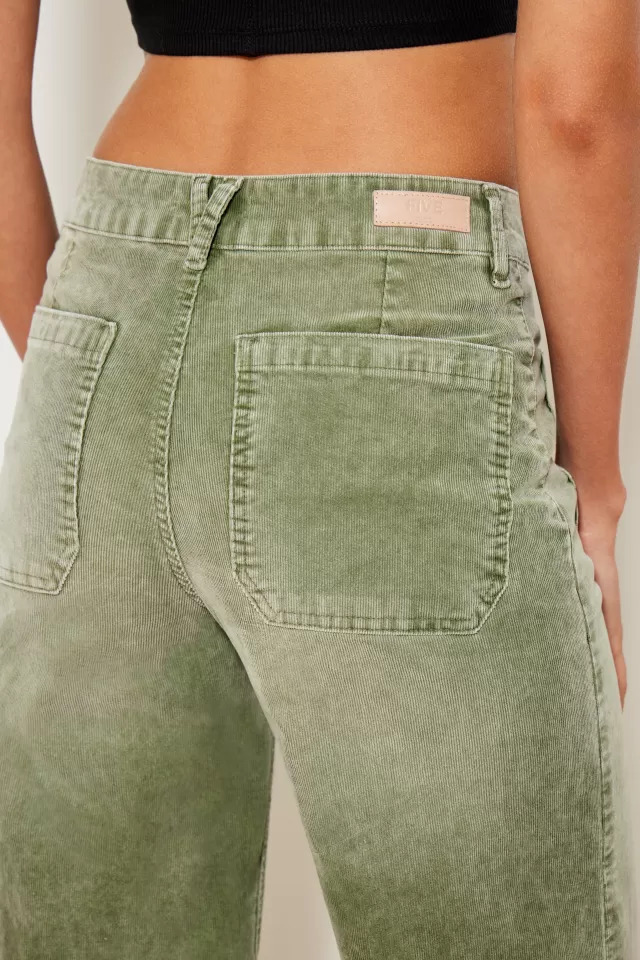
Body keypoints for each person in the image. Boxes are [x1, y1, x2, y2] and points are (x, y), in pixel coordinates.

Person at [0, 0, 638, 957]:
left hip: (105, 302)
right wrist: (594, 485)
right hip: (393, 283)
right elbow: (576, 108)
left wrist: (84, 359)